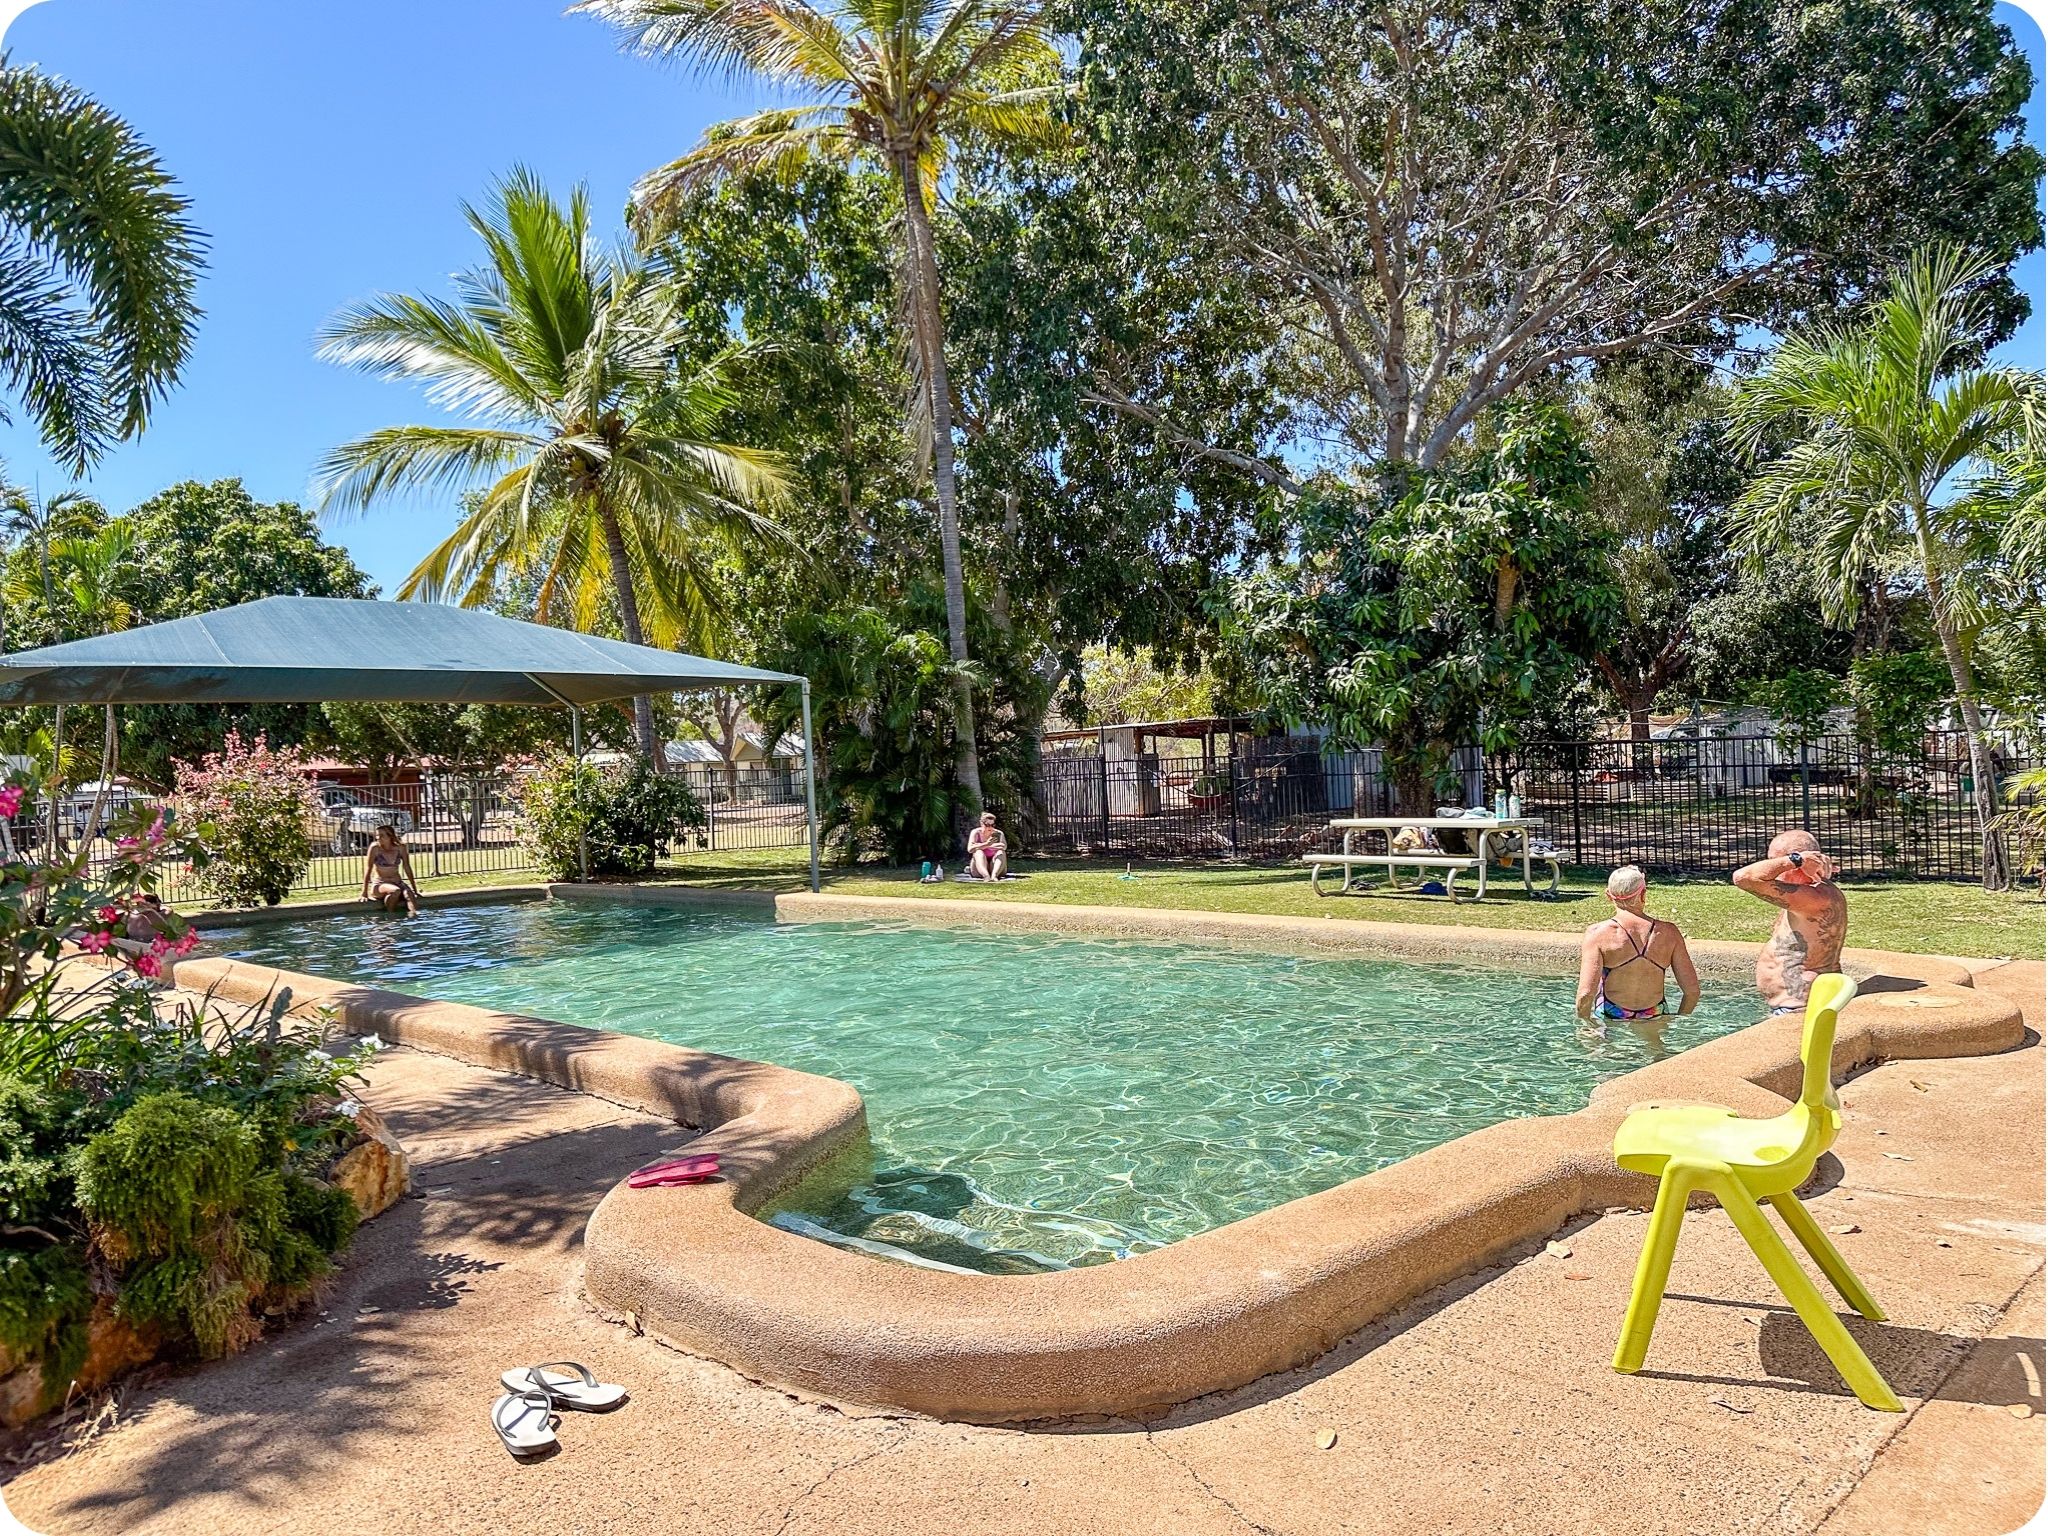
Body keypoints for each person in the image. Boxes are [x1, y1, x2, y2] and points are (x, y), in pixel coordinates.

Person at [1733, 830, 1846, 1015]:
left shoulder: (1816, 897)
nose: (1773, 872)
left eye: (1777, 864)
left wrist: (1794, 860)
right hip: (1793, 1005)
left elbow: (1743, 878)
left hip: (1799, 1007)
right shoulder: (1806, 894)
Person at [1576, 864, 1700, 1027]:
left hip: (1611, 1014)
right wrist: (1678, 1021)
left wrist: (1586, 1026)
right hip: (1655, 1013)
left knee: (1608, 1052)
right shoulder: (1669, 933)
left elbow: (1585, 994)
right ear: (1643, 895)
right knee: (1657, 1052)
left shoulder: (1597, 934)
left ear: (1608, 895)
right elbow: (1692, 992)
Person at [361, 823, 420, 915]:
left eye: (381, 836)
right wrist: (364, 893)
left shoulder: (400, 848)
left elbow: (407, 867)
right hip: (380, 884)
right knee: (395, 891)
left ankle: (415, 918)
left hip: (397, 882)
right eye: (377, 835)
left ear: (390, 836)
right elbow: (368, 869)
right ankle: (391, 917)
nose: (378, 838)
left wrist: (414, 889)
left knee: (409, 894)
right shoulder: (375, 848)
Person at [966, 812, 1008, 881]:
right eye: (987, 825)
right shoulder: (976, 832)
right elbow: (970, 849)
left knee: (1001, 852)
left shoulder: (998, 833)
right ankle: (986, 876)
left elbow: (1004, 846)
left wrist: (980, 845)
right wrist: (987, 844)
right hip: (978, 869)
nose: (990, 827)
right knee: (978, 852)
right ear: (981, 824)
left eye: (992, 825)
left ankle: (994, 876)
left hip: (995, 865)